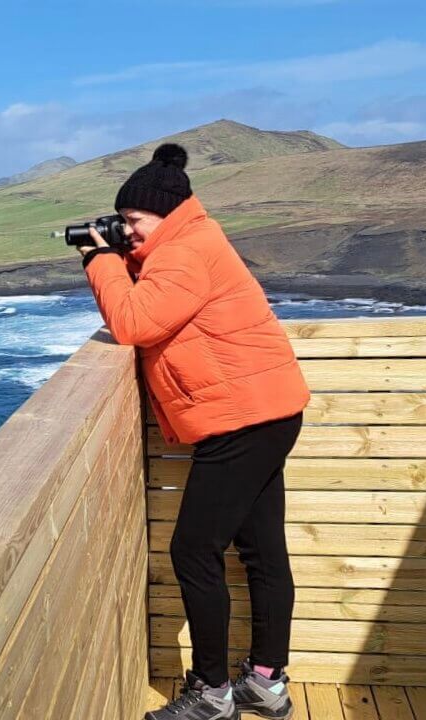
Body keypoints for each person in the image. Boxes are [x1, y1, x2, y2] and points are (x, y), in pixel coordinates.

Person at [77, 143, 310, 720]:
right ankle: (265, 682)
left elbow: (132, 321)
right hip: (265, 408)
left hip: (243, 418)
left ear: (162, 212)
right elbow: (158, 297)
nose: (126, 231)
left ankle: (211, 695)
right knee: (260, 551)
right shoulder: (189, 243)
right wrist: (125, 256)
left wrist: (97, 259)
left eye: (132, 221)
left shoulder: (184, 253)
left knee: (193, 550)